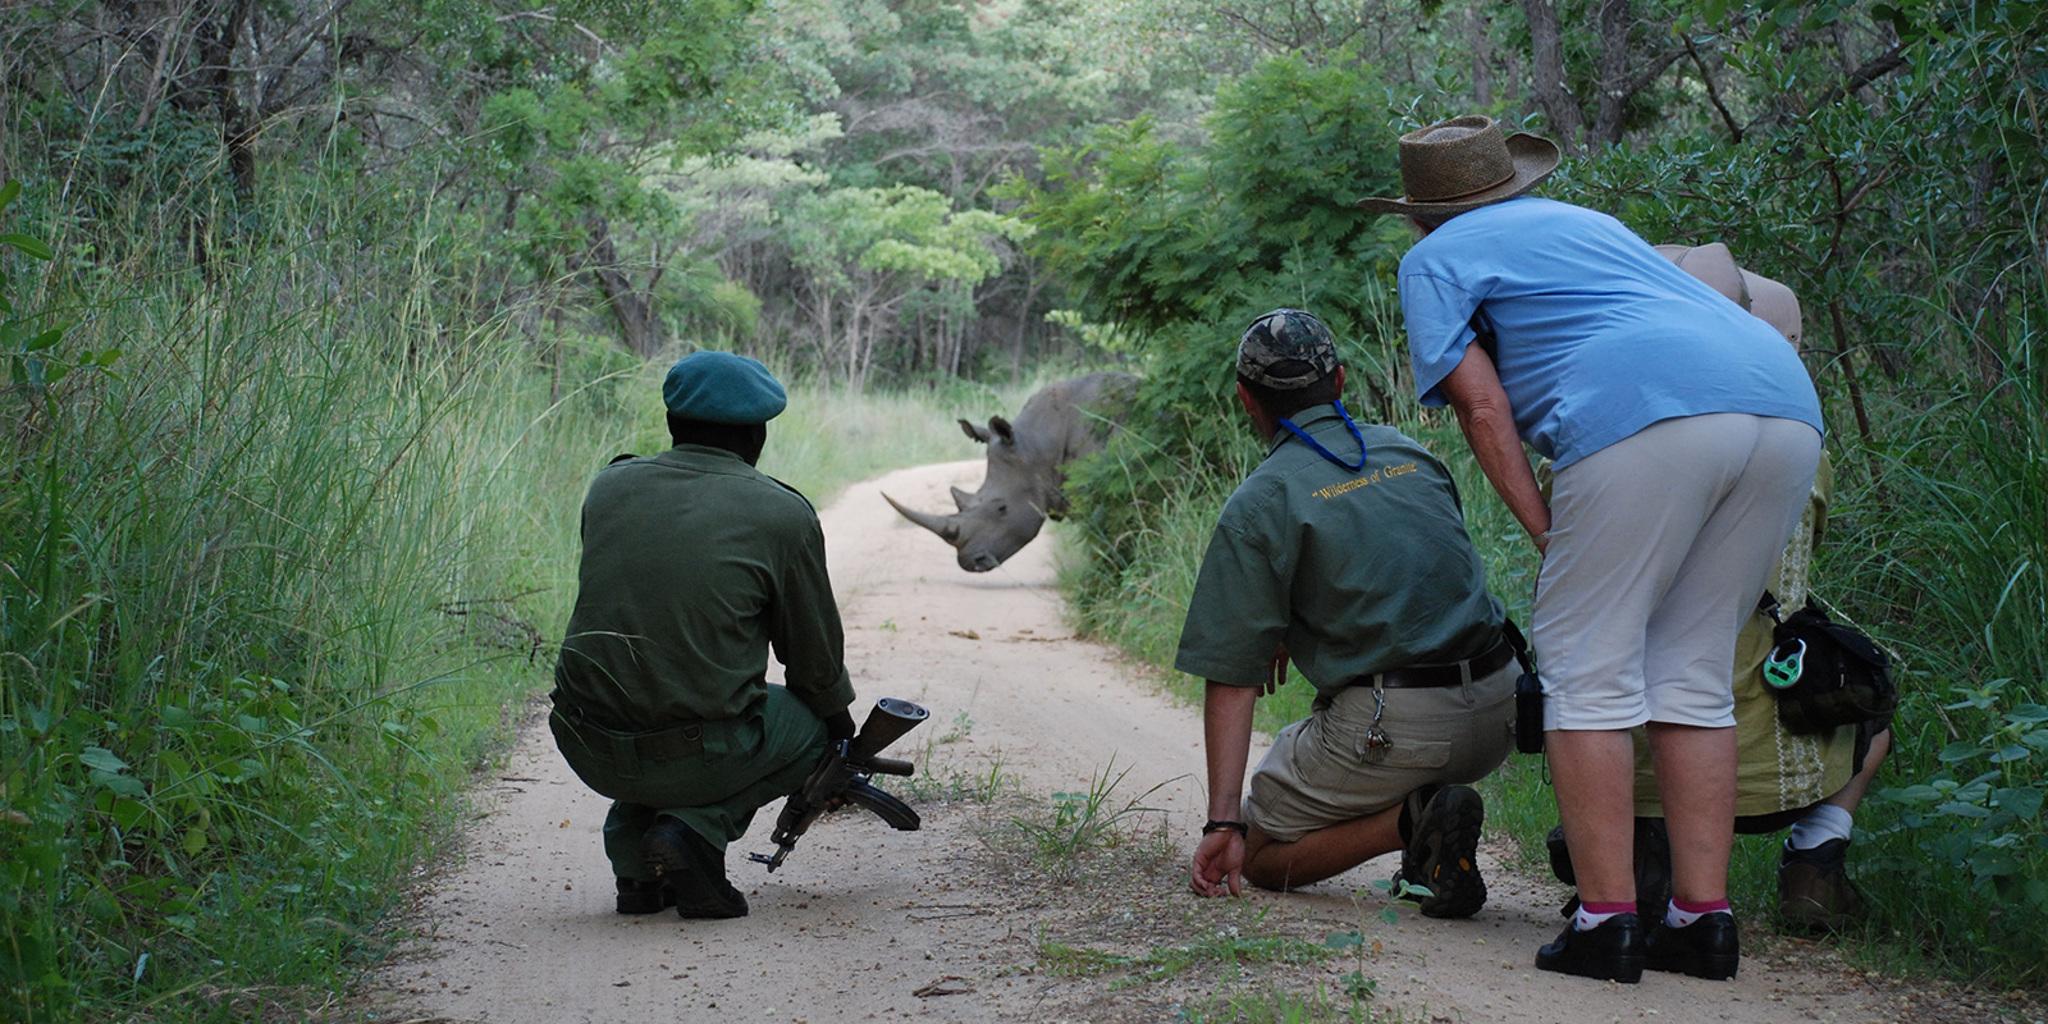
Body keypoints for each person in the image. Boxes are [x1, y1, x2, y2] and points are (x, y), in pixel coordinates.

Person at [1362, 115, 1824, 982]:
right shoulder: (1589, 225)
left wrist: (1546, 528)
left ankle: (1606, 922)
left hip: (1647, 410)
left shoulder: (1431, 259)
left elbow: (1483, 409)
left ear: (1419, 215)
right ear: (1513, 184)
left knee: (1584, 665)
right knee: (1690, 670)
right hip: (1784, 403)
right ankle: (1700, 920)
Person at [1544, 243, 1891, 935]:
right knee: (1873, 698)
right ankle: (1815, 854)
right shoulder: (1801, 446)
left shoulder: (1611, 434)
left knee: (1590, 670)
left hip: (1628, 739)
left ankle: (1627, 869)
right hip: (1769, 741)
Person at [1180, 308, 1520, 919]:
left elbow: (1232, 676)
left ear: (1245, 400)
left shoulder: (1262, 500)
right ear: (1339, 381)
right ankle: (1429, 837)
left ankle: (1415, 819)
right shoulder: (1409, 452)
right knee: (1366, 733)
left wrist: (1223, 822)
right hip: (1503, 706)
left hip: (1401, 728)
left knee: (1260, 849)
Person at [548, 351, 857, 920]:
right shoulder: (779, 513)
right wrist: (841, 737)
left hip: (584, 740)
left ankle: (637, 872)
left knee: (655, 693)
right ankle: (692, 833)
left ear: (671, 424)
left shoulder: (608, 487)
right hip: (692, 753)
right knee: (810, 728)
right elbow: (813, 666)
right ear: (758, 434)